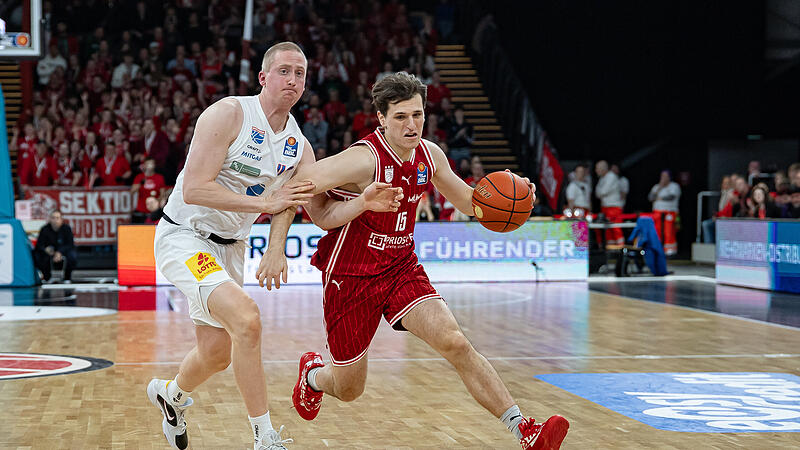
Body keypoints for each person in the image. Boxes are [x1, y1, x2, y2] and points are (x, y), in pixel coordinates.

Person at [289, 72, 569, 450]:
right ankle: (313, 377)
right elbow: (301, 182)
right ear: (382, 119)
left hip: (401, 266)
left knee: (455, 342)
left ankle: (525, 430)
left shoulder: (430, 155)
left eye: (418, 115)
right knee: (349, 388)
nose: (412, 125)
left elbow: (472, 203)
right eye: (401, 116)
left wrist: (515, 195)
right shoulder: (363, 159)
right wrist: (277, 244)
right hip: (351, 275)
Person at [146, 42, 402, 450]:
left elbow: (303, 206)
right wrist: (262, 203)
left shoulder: (299, 146)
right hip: (184, 236)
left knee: (216, 354)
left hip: (232, 248)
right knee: (247, 319)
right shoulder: (228, 114)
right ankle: (265, 438)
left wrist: (278, 246)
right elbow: (195, 188)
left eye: (300, 74)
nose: (293, 80)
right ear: (264, 77)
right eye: (284, 71)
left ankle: (170, 394)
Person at [33, 210, 77, 283]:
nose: (55, 220)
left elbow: (70, 244)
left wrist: (59, 252)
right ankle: (47, 277)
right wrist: (45, 249)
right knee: (38, 255)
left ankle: (67, 277)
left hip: (63, 251)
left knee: (72, 255)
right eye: (53, 218)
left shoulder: (66, 229)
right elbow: (39, 245)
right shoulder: (44, 229)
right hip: (50, 251)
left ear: (61, 220)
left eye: (57, 218)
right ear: (50, 219)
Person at [648, 170, 681, 256]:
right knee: (657, 231)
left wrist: (660, 198)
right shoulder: (656, 187)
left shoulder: (674, 186)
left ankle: (670, 251)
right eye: (662, 176)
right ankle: (657, 249)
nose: (663, 178)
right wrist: (660, 188)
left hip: (670, 212)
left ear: (669, 177)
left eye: (665, 176)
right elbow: (651, 198)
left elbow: (671, 197)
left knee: (669, 231)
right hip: (657, 212)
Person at [594, 160, 624, 246]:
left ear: (603, 168)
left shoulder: (611, 176)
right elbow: (597, 193)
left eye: (597, 168)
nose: (596, 170)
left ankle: (621, 249)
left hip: (614, 207)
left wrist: (601, 193)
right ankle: (611, 250)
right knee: (608, 230)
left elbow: (603, 192)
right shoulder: (602, 178)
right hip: (605, 207)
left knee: (615, 228)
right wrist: (600, 193)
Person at [131, 158, 166, 223]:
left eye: (151, 163)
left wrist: (156, 203)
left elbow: (162, 194)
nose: (150, 166)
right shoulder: (139, 177)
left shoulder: (159, 177)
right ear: (144, 165)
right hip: (141, 211)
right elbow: (132, 191)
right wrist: (141, 182)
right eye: (148, 164)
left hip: (154, 212)